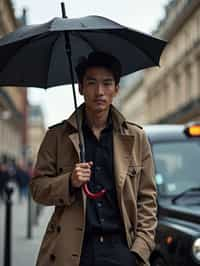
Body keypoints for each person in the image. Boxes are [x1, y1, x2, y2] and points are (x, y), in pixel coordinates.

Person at [30, 51, 157, 266]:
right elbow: (37, 190)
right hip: (74, 251)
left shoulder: (136, 138)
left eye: (107, 83)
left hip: (122, 250)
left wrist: (139, 250)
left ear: (116, 89)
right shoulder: (56, 137)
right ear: (80, 88)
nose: (99, 92)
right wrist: (69, 181)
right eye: (91, 83)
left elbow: (147, 199)